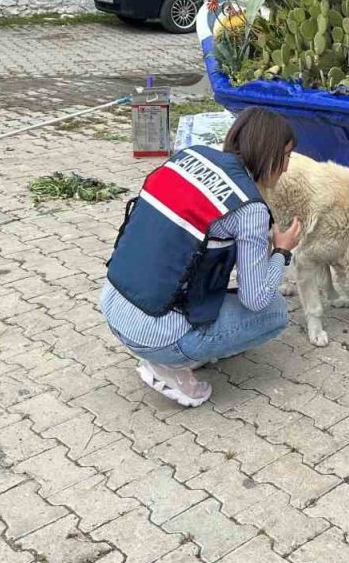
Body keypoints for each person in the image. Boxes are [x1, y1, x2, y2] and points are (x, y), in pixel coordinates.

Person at [100, 107, 302, 408]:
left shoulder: (189, 156)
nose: (286, 167)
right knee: (274, 312)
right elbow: (255, 298)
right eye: (285, 156)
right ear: (268, 152)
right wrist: (281, 252)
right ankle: (170, 364)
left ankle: (174, 348)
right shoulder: (249, 208)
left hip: (112, 302)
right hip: (155, 334)